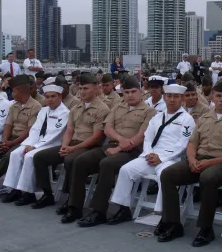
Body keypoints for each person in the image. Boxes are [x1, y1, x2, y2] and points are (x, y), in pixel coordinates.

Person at [156, 79, 222, 245]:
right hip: (198, 161)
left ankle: (206, 229)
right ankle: (173, 223)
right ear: (212, 97)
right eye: (218, 95)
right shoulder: (204, 117)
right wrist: (192, 159)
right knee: (167, 174)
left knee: (208, 177)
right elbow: (192, 143)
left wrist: (211, 162)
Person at [61, 76, 157, 227]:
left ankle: (99, 211)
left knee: (107, 164)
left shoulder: (149, 112)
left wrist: (120, 147)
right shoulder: (118, 107)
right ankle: (75, 206)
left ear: (141, 92)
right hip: (112, 146)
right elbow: (108, 128)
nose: (130, 95)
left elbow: (141, 136)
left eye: (133, 92)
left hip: (133, 151)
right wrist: (120, 140)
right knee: (80, 161)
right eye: (126, 92)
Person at [106, 83, 195, 225]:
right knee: (126, 170)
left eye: (176, 97)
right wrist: (148, 153)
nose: (172, 100)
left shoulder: (187, 120)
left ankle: (163, 215)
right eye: (169, 96)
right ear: (164, 98)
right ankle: (123, 209)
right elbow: (148, 137)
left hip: (171, 159)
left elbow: (182, 144)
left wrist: (162, 158)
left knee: (164, 176)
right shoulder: (158, 117)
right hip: (151, 155)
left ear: (182, 98)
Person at [32, 73, 109, 215]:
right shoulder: (76, 108)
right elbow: (69, 129)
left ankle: (72, 202)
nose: (82, 91)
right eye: (80, 88)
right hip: (71, 144)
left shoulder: (102, 109)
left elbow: (96, 137)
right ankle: (47, 194)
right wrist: (64, 146)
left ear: (96, 88)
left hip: (88, 147)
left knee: (71, 160)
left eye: (86, 88)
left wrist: (72, 148)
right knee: (39, 157)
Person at [2, 82, 69, 206]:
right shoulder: (44, 111)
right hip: (39, 142)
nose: (50, 99)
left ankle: (32, 193)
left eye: (53, 96)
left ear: (60, 97)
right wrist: (29, 144)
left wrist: (35, 146)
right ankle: (16, 189)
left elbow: (54, 134)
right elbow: (35, 130)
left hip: (53, 144)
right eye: (47, 97)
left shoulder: (65, 113)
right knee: (16, 153)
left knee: (30, 156)